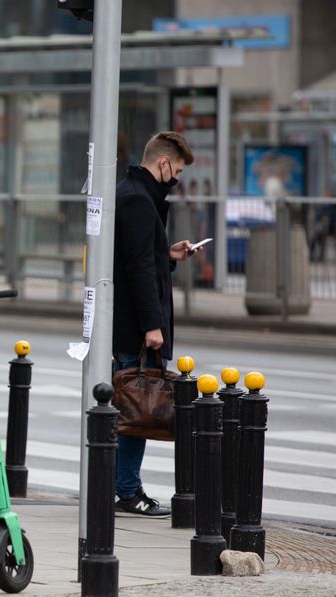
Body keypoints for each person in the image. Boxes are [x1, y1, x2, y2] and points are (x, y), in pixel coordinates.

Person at [112, 131, 198, 517]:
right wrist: (153, 325)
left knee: (127, 405)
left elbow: (142, 255)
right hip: (134, 325)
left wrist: (169, 253)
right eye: (177, 170)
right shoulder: (137, 200)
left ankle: (119, 487)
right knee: (137, 407)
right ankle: (126, 491)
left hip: (128, 320)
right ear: (163, 163)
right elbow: (138, 269)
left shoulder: (134, 193)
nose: (177, 178)